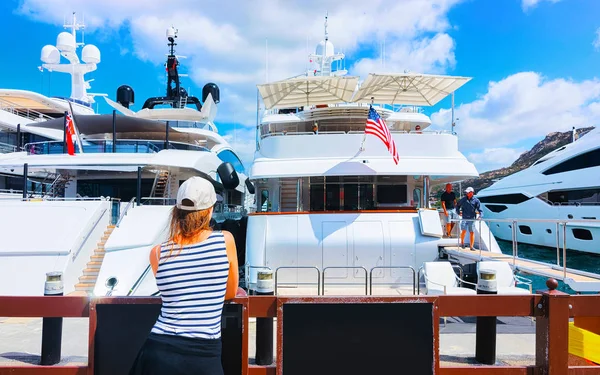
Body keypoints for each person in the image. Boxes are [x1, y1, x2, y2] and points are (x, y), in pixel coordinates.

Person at [129, 176, 239, 375]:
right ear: (209, 210)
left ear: (176, 211)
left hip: (158, 351)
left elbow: (172, 295)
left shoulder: (158, 253)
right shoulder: (225, 241)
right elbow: (230, 292)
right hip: (203, 354)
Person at [456, 186, 483, 250]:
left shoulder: (476, 200)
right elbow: (457, 205)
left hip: (472, 218)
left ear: (471, 193)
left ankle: (471, 246)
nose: (467, 193)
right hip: (464, 218)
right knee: (464, 231)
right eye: (466, 192)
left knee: (472, 232)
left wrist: (480, 216)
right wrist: (458, 212)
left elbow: (480, 209)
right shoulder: (463, 199)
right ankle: (462, 243)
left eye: (468, 192)